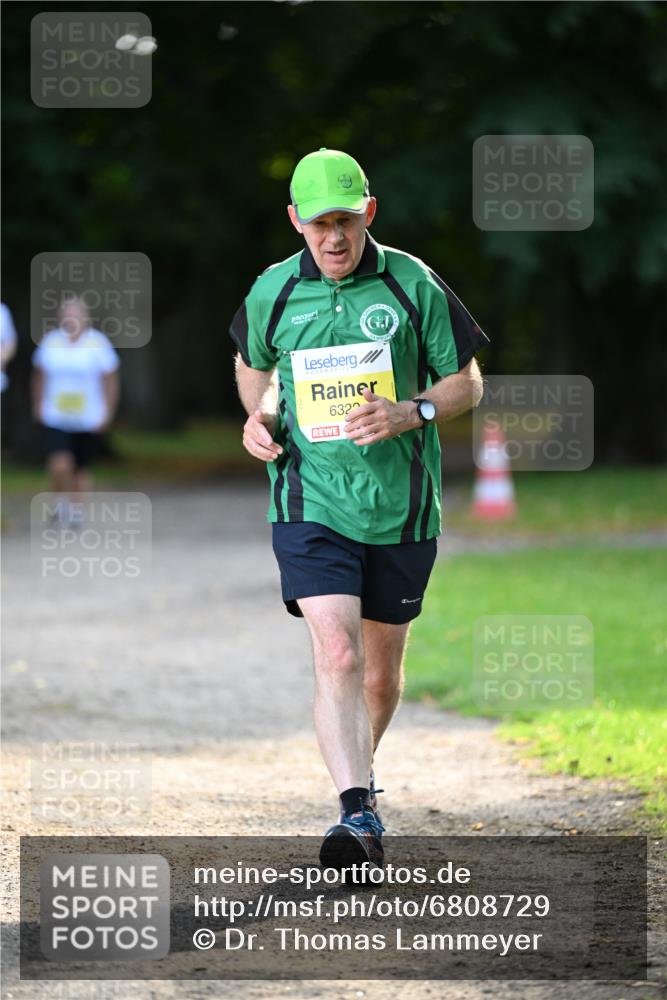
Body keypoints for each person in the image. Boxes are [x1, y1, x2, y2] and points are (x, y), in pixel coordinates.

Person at [229, 148, 489, 869]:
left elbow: (464, 381)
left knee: (377, 674)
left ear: (367, 212)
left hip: (400, 507)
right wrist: (260, 419)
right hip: (308, 499)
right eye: (319, 225)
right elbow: (256, 368)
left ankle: (360, 787)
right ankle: (354, 816)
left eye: (346, 220)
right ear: (295, 223)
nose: (334, 238)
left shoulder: (413, 283)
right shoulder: (272, 292)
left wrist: (413, 411)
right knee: (335, 651)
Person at [32, 296, 120, 520]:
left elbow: (110, 379)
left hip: (87, 416)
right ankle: (60, 501)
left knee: (81, 467)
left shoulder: (98, 344)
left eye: (75, 313)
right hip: (56, 415)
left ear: (85, 317)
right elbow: (39, 376)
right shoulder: (51, 342)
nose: (71, 318)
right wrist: (38, 404)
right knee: (60, 464)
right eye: (67, 313)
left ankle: (76, 510)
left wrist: (107, 411)